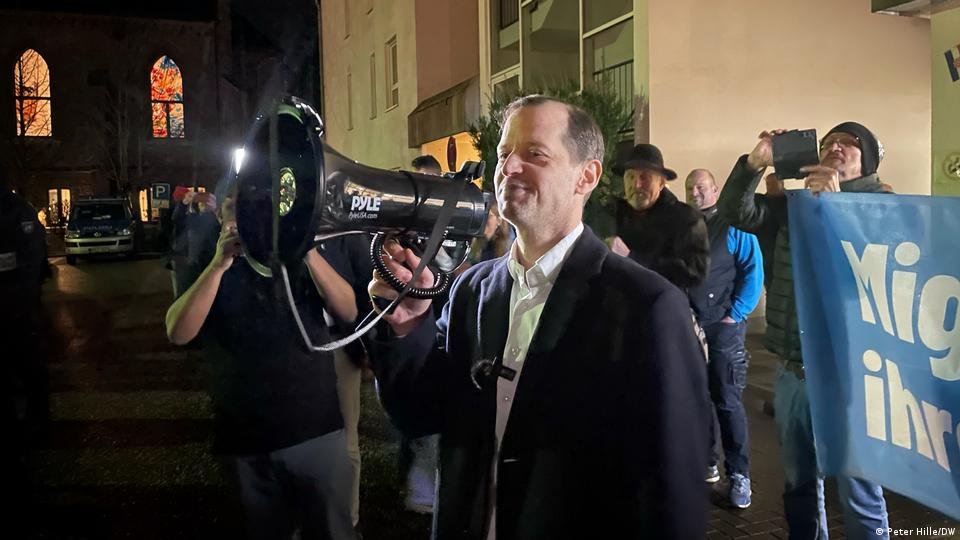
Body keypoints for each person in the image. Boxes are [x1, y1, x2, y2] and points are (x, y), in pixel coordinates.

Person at [367, 95, 710, 539]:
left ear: (586, 176)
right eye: (504, 154)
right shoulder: (472, 289)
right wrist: (408, 323)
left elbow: (671, 495)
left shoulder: (647, 306)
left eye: (534, 154)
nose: (508, 168)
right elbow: (419, 414)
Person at [718, 122, 892, 539]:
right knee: (798, 485)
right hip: (793, 371)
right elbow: (734, 212)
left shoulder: (886, 204)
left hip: (854, 374)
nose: (834, 147)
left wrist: (836, 208)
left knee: (860, 492)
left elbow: (877, 278)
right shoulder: (795, 204)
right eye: (828, 142)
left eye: (847, 144)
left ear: (867, 159)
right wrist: (755, 163)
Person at [165, 195, 357, 540]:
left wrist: (305, 248)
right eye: (231, 207)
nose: (243, 215)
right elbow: (178, 332)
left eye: (251, 206)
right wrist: (218, 265)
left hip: (315, 430)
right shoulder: (213, 257)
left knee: (332, 530)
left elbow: (348, 311)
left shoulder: (295, 256)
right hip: (244, 440)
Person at [685, 168, 763, 509]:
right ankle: (707, 463)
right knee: (698, 397)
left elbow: (753, 271)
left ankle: (740, 475)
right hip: (690, 326)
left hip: (724, 328)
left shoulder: (735, 226)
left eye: (701, 187)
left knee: (727, 400)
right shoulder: (684, 225)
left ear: (715, 189)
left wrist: (737, 314)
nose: (695, 193)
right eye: (690, 188)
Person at [608, 143, 710, 293]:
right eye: (630, 176)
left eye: (645, 177)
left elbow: (696, 273)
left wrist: (632, 257)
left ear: (661, 183)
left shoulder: (686, 219)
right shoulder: (611, 213)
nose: (636, 185)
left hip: (660, 310)